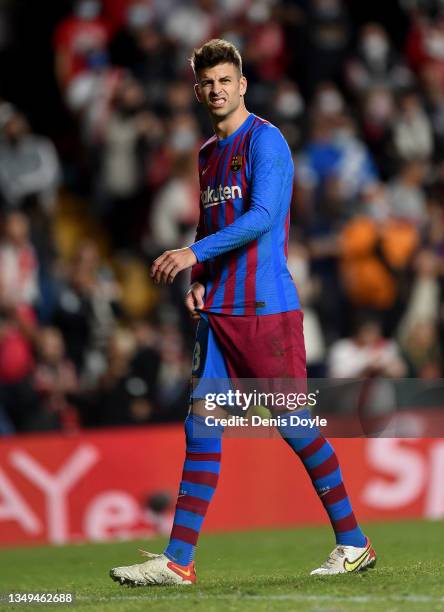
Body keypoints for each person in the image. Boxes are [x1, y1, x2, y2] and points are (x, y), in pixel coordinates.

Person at [110, 38, 376, 587]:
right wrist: (200, 278)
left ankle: (353, 543)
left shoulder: (268, 141)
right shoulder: (207, 154)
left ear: (243, 84)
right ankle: (178, 560)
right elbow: (212, 228)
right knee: (201, 427)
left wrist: (191, 255)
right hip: (220, 311)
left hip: (264, 310)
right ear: (197, 88)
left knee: (295, 426)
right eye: (207, 82)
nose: (216, 89)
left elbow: (261, 217)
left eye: (225, 80)